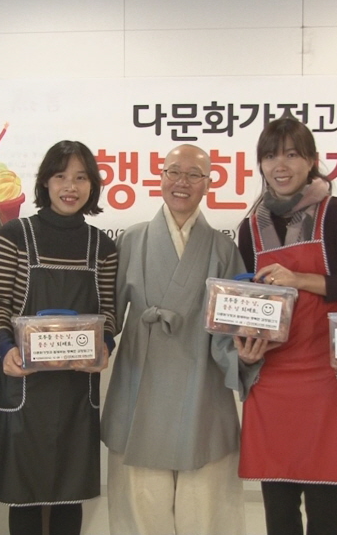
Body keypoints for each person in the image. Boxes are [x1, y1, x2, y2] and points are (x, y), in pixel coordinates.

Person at [101, 144, 259, 535]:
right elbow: (108, 316)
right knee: (140, 508)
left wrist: (244, 354)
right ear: (160, 177)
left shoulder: (222, 248)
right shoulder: (132, 240)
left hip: (201, 385)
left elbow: (232, 326)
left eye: (193, 175)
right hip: (142, 381)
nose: (182, 182)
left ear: (208, 183)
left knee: (204, 509)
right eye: (174, 172)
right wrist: (89, 344)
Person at [236, 117, 337, 535]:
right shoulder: (251, 226)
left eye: (292, 154)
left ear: (312, 160)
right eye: (270, 156)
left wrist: (298, 279)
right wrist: (243, 344)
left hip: (324, 373)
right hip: (272, 374)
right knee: (276, 494)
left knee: (324, 496)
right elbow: (245, 297)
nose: (280, 165)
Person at [0, 140, 117, 535]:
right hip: (23, 386)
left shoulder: (102, 246)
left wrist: (105, 346)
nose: (70, 187)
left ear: (93, 185)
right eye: (61, 176)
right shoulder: (14, 235)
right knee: (23, 495)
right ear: (45, 182)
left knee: (68, 495)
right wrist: (5, 348)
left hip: (76, 389)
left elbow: (109, 313)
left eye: (81, 178)